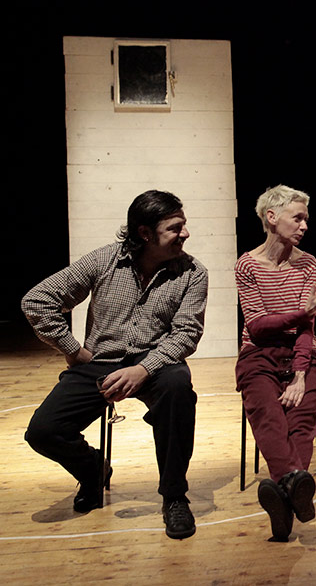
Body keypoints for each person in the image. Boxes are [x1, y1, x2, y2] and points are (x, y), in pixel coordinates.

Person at [22, 190, 207, 540]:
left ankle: (174, 496)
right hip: (100, 361)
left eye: (183, 225)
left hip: (157, 362)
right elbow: (37, 300)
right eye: (175, 227)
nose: (185, 233)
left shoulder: (192, 272)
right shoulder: (106, 259)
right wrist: (72, 349)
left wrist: (143, 369)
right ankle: (93, 470)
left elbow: (187, 334)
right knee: (43, 431)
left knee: (178, 388)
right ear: (145, 233)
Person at [235, 185, 316, 542]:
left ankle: (283, 497)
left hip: (300, 352)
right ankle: (296, 485)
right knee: (267, 414)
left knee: (301, 418)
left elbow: (306, 329)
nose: (304, 226)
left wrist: (299, 374)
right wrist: (302, 313)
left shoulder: (308, 263)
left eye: (305, 219)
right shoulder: (247, 265)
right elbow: (257, 326)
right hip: (258, 353)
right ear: (272, 217)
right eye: (297, 218)